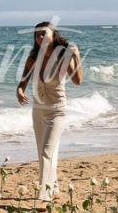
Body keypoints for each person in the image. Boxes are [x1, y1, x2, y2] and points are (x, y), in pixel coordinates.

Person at [16, 21, 83, 202]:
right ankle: (54, 188)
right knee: (44, 153)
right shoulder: (33, 58)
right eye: (37, 35)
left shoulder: (63, 57)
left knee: (47, 153)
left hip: (57, 110)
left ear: (53, 35)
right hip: (38, 111)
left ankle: (44, 197)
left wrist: (76, 56)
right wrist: (20, 91)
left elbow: (78, 81)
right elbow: (22, 82)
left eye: (44, 33)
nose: (40, 37)